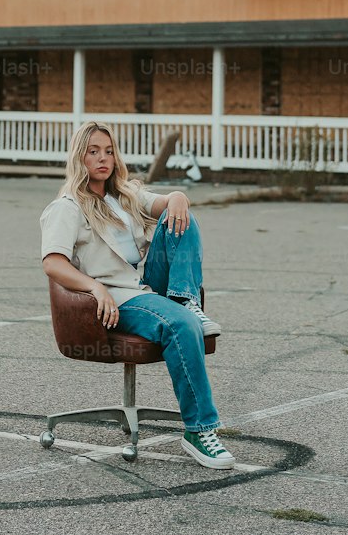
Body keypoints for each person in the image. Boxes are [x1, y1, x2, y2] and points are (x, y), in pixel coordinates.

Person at [39, 119, 235, 469]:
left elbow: (168, 204)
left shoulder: (124, 195)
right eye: (93, 152)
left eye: (109, 151)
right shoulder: (67, 207)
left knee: (183, 217)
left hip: (147, 284)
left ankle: (183, 300)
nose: (103, 159)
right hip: (117, 298)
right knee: (181, 325)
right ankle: (199, 430)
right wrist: (95, 287)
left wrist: (177, 196)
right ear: (78, 157)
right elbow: (54, 264)